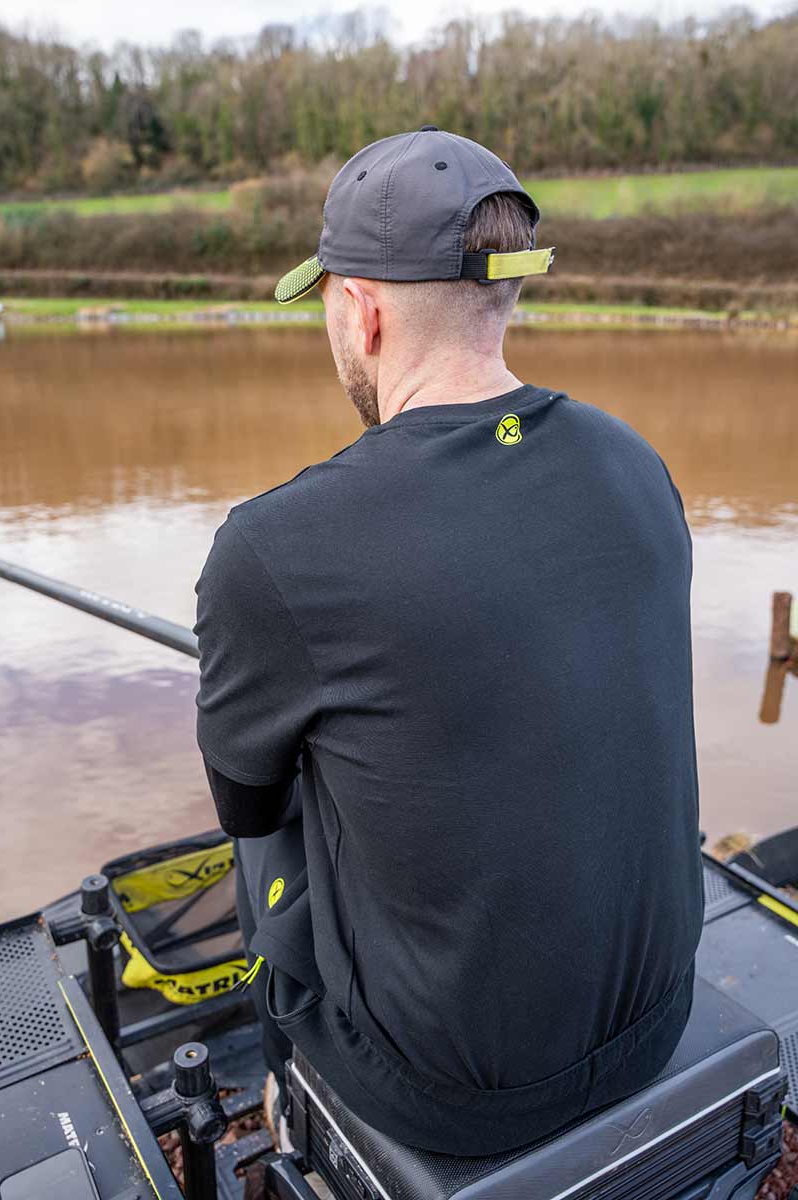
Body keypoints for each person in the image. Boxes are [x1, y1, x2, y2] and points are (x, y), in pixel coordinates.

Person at [194, 127, 704, 1157]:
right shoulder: (635, 462)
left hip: (449, 1093)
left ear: (363, 311)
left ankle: (288, 1096)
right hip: (659, 1017)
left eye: (328, 307)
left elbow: (248, 808)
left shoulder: (273, 547)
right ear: (501, 293)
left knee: (271, 819)